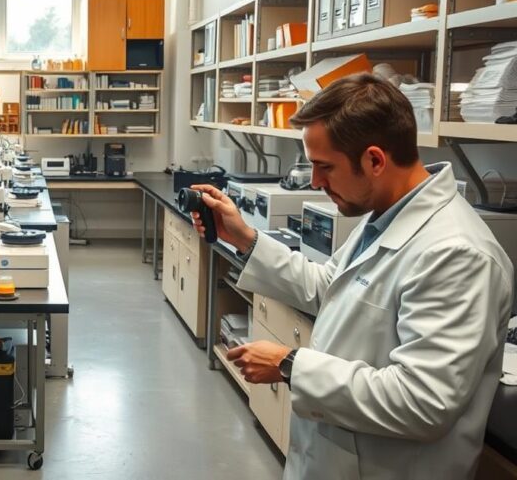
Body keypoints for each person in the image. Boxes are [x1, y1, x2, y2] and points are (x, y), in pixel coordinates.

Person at [190, 73, 513, 479]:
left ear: (375, 160)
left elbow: (423, 402)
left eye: (325, 167)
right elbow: (332, 286)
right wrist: (245, 238)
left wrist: (292, 366)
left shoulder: (458, 254)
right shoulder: (383, 213)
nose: (315, 181)